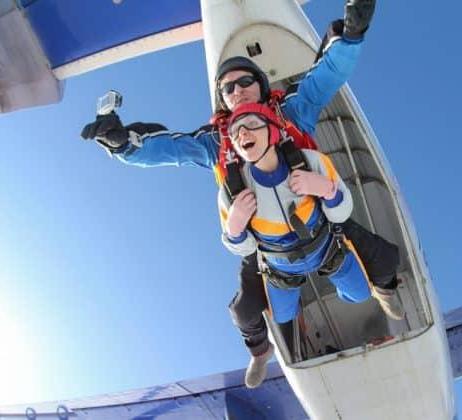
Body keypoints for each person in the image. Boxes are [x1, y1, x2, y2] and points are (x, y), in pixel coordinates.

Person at [81, 0, 403, 388]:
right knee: (245, 311)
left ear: (262, 86)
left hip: (316, 218)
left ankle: (384, 293)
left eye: (244, 82)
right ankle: (260, 352)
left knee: (384, 260)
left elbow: (327, 76)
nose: (236, 90)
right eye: (228, 87)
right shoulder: (216, 141)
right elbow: (167, 149)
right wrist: (122, 144)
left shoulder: (292, 113)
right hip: (265, 241)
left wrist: (351, 35)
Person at [219, 103, 373, 328]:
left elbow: (341, 213)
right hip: (281, 269)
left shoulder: (311, 161)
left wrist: (328, 191)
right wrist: (234, 230)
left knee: (361, 294)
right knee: (282, 318)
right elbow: (246, 249)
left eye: (252, 125)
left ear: (272, 129)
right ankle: (296, 308)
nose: (242, 134)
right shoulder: (232, 189)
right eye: (235, 133)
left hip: (327, 252)